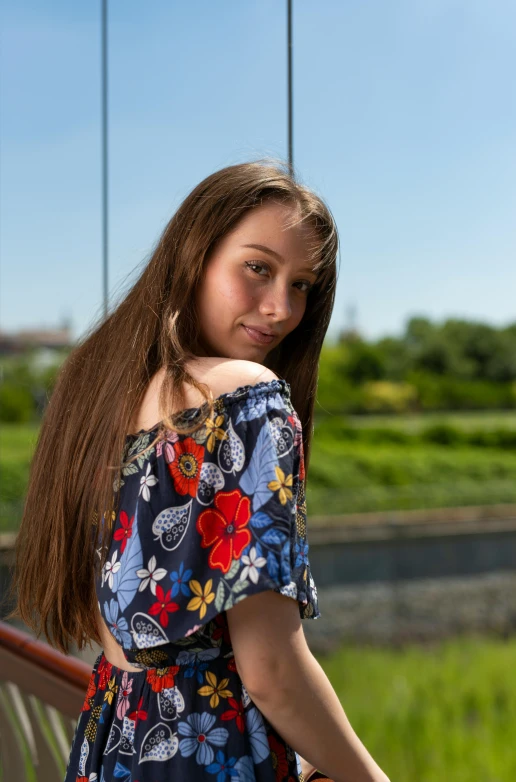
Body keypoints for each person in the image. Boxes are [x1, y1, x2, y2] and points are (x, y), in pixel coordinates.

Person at [10, 159, 390, 782]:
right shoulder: (248, 400)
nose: (280, 308)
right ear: (195, 254)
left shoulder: (94, 389)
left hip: (116, 744)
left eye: (302, 285)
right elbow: (274, 676)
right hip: (208, 755)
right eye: (259, 268)